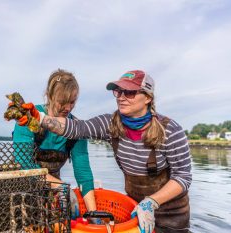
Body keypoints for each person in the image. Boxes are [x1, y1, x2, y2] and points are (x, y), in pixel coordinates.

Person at [16, 70, 192, 233]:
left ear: (148, 97)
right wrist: (39, 118)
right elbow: (78, 128)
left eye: (129, 92)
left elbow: (183, 176)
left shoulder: (170, 130)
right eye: (118, 92)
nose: (121, 97)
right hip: (134, 208)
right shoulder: (110, 125)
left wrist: (151, 202)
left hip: (172, 215)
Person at [13, 68, 98, 219]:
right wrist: (60, 186)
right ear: (50, 96)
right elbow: (23, 163)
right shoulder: (28, 119)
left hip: (54, 190)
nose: (68, 108)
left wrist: (94, 215)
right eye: (62, 102)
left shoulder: (77, 128)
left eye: (72, 102)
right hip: (22, 185)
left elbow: (83, 173)